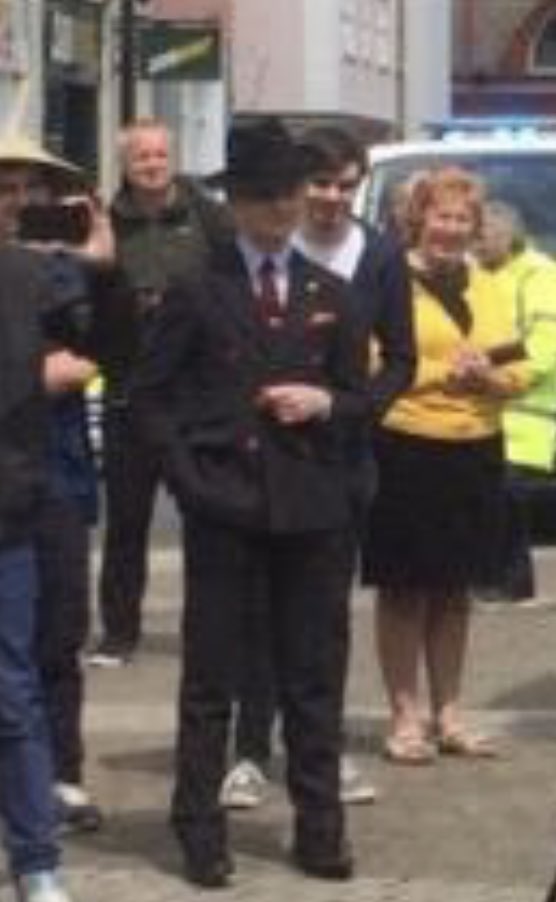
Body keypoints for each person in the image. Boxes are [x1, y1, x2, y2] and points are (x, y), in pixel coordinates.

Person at [131, 116, 399, 888]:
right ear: (237, 203)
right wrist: (188, 478)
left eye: (287, 192)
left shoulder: (330, 291)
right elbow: (149, 398)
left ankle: (320, 827)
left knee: (314, 676)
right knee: (211, 679)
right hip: (227, 504)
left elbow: (365, 392)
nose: (280, 208)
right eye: (261, 195)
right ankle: (199, 828)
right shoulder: (198, 287)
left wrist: (328, 404)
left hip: (313, 505)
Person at [220, 124, 414, 810]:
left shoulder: (380, 255)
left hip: (335, 461)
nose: (331, 197)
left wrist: (345, 407)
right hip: (252, 464)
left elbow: (401, 359)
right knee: (254, 612)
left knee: (322, 619)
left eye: (345, 185)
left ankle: (322, 751)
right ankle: (249, 748)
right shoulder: (264, 245)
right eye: (319, 184)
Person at [362, 167, 531, 764]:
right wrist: (446, 373)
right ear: (419, 220)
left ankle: (450, 715)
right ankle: (405, 718)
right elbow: (372, 361)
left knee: (456, 591)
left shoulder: (486, 282)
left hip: (476, 447)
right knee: (405, 591)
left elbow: (518, 364)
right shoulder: (388, 277)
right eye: (442, 216)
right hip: (407, 446)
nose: (452, 229)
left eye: (463, 219)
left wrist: (489, 377)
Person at [89, 117, 229, 666]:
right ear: (125, 165)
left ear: (173, 158)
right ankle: (118, 634)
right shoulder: (105, 221)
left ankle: (209, 631)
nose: (152, 165)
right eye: (141, 157)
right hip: (129, 392)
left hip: (195, 397)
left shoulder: (208, 217)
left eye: (159, 155)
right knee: (126, 525)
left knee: (206, 521)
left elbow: (232, 286)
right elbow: (88, 300)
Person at [0, 137, 81, 902]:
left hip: (7, 511)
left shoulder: (31, 274)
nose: (11, 202)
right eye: (2, 188)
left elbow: (111, 336)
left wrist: (103, 265)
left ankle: (34, 859)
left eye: (17, 190)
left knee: (13, 691)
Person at [475, 200, 556, 602]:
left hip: (528, 418)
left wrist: (488, 364)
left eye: (483, 236)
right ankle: (496, 581)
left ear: (509, 236)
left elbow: (543, 347)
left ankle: (508, 584)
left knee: (505, 500)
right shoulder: (482, 274)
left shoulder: (539, 276)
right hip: (488, 412)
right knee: (492, 500)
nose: (475, 244)